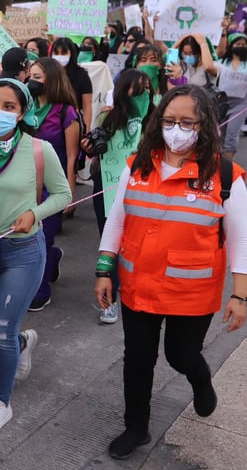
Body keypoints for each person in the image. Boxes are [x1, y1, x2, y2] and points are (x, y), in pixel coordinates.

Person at [95, 85, 247, 460]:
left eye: (187, 122)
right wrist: (104, 269)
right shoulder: (137, 165)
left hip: (191, 293)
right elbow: (116, 220)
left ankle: (200, 380)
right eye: (169, 121)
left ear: (205, 126)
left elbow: (241, 239)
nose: (176, 129)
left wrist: (240, 295)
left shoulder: (226, 176)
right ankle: (136, 426)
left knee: (181, 355)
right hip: (137, 286)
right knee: (138, 358)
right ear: (157, 122)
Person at [0, 79, 71, 436]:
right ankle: (24, 342)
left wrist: (34, 214)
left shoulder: (38, 149)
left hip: (23, 252)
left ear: (23, 112)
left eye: (9, 106)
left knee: (3, 328)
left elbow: (64, 193)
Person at [82, 69, 154, 324]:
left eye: (147, 87)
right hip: (109, 186)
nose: (143, 92)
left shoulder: (156, 118)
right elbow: (97, 150)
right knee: (110, 241)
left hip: (145, 188)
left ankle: (138, 289)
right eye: (138, 87)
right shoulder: (108, 117)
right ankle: (109, 301)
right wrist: (89, 147)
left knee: (140, 241)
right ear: (124, 89)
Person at [25, 58, 80, 311]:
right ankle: (53, 258)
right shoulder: (25, 106)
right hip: (25, 184)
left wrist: (70, 193)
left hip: (52, 186)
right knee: (28, 236)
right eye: (30, 76)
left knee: (43, 237)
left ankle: (41, 290)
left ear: (52, 80)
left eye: (38, 77)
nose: (31, 81)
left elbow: (72, 156)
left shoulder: (66, 112)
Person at [215, 34, 247, 158]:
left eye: (243, 45)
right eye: (238, 44)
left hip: (241, 103)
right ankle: (218, 161)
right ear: (231, 45)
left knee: (232, 133)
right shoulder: (222, 62)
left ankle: (228, 164)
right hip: (222, 102)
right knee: (220, 134)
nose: (241, 47)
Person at [50, 38, 93, 132]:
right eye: (56, 53)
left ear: (71, 54)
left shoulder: (81, 75)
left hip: (73, 124)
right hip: (50, 124)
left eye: (64, 53)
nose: (59, 57)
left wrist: (86, 131)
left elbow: (87, 106)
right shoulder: (47, 74)